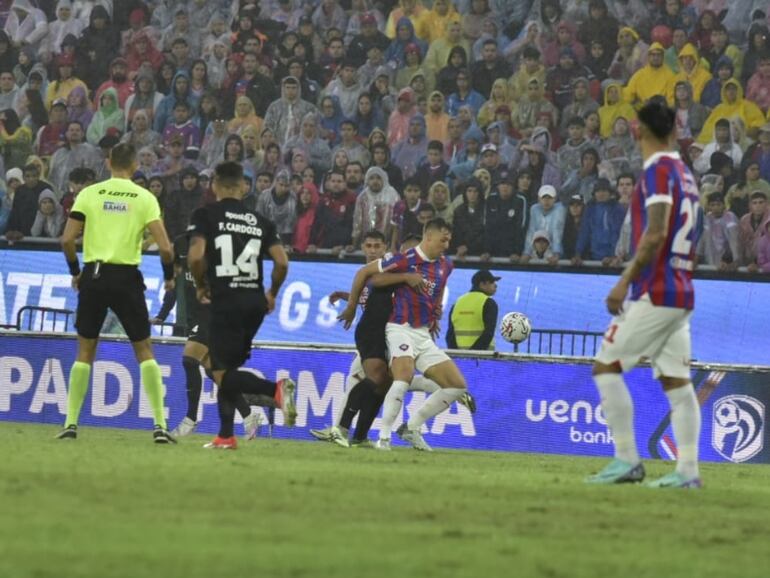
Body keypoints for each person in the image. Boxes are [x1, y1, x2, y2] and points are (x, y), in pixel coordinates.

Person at [587, 101, 702, 488]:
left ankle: (626, 460)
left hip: (655, 289)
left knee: (606, 366)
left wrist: (624, 279)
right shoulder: (685, 173)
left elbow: (655, 232)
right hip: (682, 288)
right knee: (677, 381)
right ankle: (687, 472)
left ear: (638, 131)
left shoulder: (658, 171)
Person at [56, 144, 176, 443]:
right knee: (144, 350)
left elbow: (67, 239)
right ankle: (160, 426)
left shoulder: (89, 194)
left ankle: (70, 424)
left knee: (85, 351)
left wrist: (75, 273)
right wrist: (170, 278)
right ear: (135, 165)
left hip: (94, 276)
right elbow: (165, 247)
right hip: (126, 278)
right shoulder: (145, 197)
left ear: (108, 163)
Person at [187, 161, 296, 450]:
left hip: (225, 300)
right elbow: (282, 261)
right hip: (254, 302)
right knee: (226, 367)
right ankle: (225, 436)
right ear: (243, 187)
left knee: (222, 373)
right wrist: (272, 292)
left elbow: (196, 257)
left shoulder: (205, 214)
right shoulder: (260, 220)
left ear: (214, 185)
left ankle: (275, 390)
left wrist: (200, 285)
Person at [340, 218, 469, 451]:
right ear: (428, 237)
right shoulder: (405, 259)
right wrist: (351, 306)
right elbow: (371, 277)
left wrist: (435, 315)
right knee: (402, 376)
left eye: (449, 239)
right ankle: (383, 438)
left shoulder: (446, 265)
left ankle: (411, 427)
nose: (447, 244)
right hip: (398, 327)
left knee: (457, 385)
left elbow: (438, 291)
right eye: (444, 239)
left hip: (422, 333)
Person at [157, 236, 263, 440]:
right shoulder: (183, 263)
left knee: (189, 360)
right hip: (197, 321)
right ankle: (250, 416)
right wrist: (161, 316)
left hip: (211, 320)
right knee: (216, 374)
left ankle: (190, 419)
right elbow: (172, 291)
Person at [446, 269, 500, 351]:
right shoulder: (489, 303)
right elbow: (488, 333)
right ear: (482, 284)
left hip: (460, 359)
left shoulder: (457, 303)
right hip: (483, 359)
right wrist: (473, 354)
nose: (495, 285)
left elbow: (450, 335)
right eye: (492, 282)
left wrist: (459, 355)